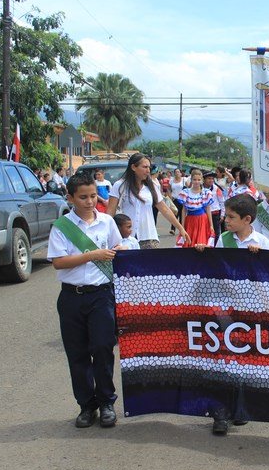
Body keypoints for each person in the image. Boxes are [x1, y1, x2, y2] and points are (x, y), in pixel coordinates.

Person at [47, 172, 122, 428]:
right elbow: (58, 262)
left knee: (102, 348)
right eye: (83, 197)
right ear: (70, 198)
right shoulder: (62, 227)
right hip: (72, 297)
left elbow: (118, 248)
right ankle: (86, 405)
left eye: (93, 196)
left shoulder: (107, 222)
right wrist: (92, 255)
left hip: (101, 295)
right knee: (77, 353)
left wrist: (119, 251)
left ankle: (107, 402)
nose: (90, 202)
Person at [196, 193, 269, 435]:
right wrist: (204, 253)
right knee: (223, 358)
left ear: (247, 219)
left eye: (231, 217)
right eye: (226, 216)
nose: (226, 220)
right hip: (225, 307)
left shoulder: (262, 242)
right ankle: (220, 412)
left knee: (243, 360)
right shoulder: (223, 239)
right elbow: (217, 267)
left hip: (250, 309)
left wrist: (258, 258)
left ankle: (239, 408)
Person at [107, 154, 187, 248]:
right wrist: (106, 233)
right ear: (133, 167)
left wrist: (180, 228)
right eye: (144, 167)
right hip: (126, 239)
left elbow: (165, 210)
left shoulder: (151, 187)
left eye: (149, 167)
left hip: (149, 238)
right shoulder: (120, 185)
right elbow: (110, 212)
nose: (148, 170)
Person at [177, 169, 216, 248]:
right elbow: (184, 210)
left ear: (202, 180)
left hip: (202, 220)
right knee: (189, 242)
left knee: (201, 243)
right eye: (194, 179)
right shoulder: (186, 192)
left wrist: (211, 225)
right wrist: (182, 225)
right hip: (190, 220)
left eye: (199, 180)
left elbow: (208, 209)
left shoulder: (206, 192)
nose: (197, 182)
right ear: (191, 180)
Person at [203, 171, 226, 244]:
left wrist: (222, 215)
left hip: (215, 214)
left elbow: (222, 202)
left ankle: (215, 247)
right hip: (203, 214)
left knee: (216, 233)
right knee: (204, 232)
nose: (211, 180)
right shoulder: (200, 188)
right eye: (209, 178)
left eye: (212, 179)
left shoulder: (216, 189)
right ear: (204, 179)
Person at [169, 169, 186, 235]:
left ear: (181, 173)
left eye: (178, 172)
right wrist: (170, 196)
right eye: (176, 172)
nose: (177, 173)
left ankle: (181, 229)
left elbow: (189, 187)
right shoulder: (171, 180)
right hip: (174, 199)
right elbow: (168, 189)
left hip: (182, 199)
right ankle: (172, 229)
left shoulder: (184, 180)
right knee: (174, 214)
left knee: (182, 215)